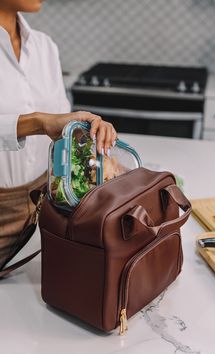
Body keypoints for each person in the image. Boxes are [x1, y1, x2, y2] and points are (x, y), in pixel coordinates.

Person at [0, 0, 117, 271]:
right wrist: (39, 122)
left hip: (46, 204)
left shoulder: (44, 47)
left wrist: (90, 138)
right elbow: (47, 122)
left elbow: (61, 126)